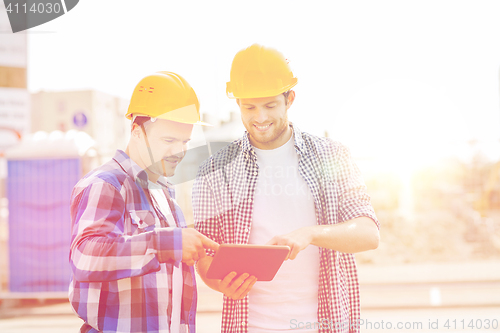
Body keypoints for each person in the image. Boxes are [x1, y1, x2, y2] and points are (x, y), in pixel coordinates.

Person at [193, 44, 380, 333]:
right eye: (249, 107)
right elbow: (204, 256)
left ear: (289, 98)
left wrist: (310, 233)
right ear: (238, 103)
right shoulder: (213, 171)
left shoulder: (331, 156)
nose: (260, 118)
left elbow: (368, 234)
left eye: (270, 106)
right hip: (250, 325)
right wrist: (221, 284)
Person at [69, 71, 219, 333]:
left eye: (185, 141)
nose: (179, 151)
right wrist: (166, 243)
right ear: (137, 131)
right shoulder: (107, 184)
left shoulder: (165, 194)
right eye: (168, 140)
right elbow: (84, 256)